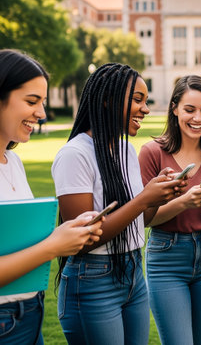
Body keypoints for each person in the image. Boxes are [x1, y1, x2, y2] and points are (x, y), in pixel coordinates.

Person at [52, 63, 183, 345]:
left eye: (145, 101)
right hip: (93, 278)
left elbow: (140, 219)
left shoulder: (125, 149)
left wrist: (158, 195)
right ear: (107, 99)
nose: (145, 109)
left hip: (133, 270)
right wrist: (143, 199)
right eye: (137, 100)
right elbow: (82, 239)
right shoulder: (74, 154)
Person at [0, 49, 103, 345]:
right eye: (32, 101)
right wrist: (53, 246)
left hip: (30, 313)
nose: (42, 114)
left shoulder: (13, 162)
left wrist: (65, 233)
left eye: (42, 102)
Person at [138, 75, 201, 345]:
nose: (198, 118)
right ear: (175, 108)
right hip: (166, 258)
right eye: (189, 109)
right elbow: (146, 219)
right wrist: (185, 201)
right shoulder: (152, 153)